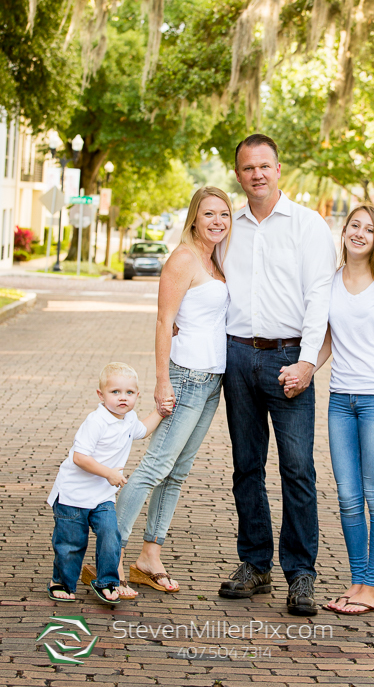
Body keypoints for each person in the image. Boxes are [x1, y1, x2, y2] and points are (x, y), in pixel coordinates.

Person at [218, 134, 336, 616]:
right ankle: (256, 563)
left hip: (288, 357)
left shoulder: (307, 225)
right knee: (246, 465)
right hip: (237, 357)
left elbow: (319, 299)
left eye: (265, 166)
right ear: (239, 174)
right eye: (248, 168)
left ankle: (301, 572)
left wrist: (308, 362)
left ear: (279, 169)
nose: (257, 175)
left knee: (296, 469)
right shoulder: (228, 227)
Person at [113, 187, 232, 596]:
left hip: (212, 381)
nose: (217, 221)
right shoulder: (183, 258)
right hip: (185, 378)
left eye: (224, 214)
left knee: (175, 473)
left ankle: (149, 556)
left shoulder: (214, 260)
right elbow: (164, 322)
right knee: (153, 468)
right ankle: (110, 557)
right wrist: (162, 381)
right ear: (194, 218)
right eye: (209, 214)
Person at [297, 204, 374, 615]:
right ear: (344, 231)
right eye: (353, 226)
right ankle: (357, 583)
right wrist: (306, 368)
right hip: (341, 401)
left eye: (368, 229)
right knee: (348, 497)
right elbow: (327, 339)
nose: (359, 233)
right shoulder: (330, 283)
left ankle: (373, 587)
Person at [47, 362, 171, 604]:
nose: (122, 398)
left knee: (110, 536)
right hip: (73, 495)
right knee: (71, 543)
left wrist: (161, 411)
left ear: (137, 395)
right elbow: (79, 457)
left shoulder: (129, 418)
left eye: (129, 393)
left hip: (102, 496)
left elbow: (143, 430)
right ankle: (61, 581)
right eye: (115, 392)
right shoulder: (96, 421)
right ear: (100, 395)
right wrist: (108, 474)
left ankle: (107, 581)